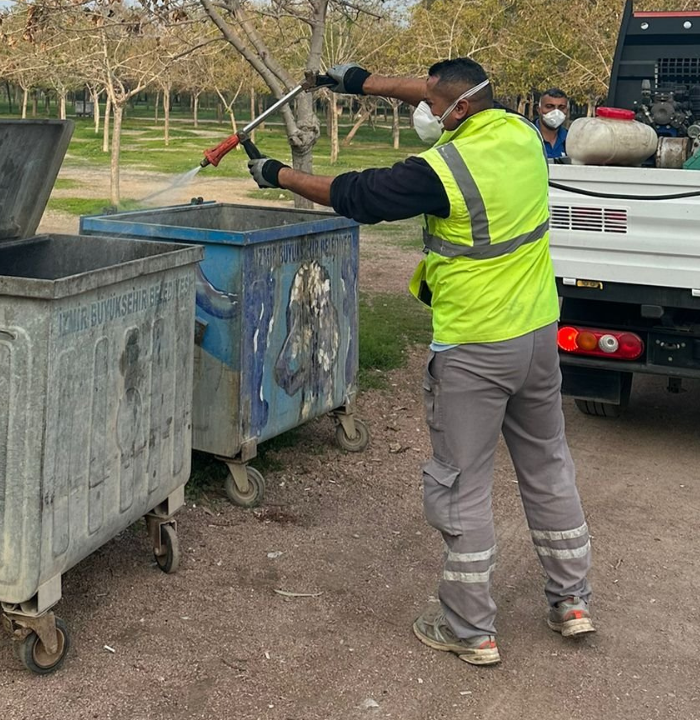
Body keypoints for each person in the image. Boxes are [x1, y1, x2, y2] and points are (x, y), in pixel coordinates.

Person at [246, 58, 594, 666]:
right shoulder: (520, 133)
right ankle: (572, 602)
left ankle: (469, 628)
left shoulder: (441, 171)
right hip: (538, 337)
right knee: (547, 466)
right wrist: (354, 81)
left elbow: (354, 194)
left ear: (458, 110)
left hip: (475, 347)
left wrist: (276, 173)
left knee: (462, 484)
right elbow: (435, 89)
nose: (424, 111)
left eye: (434, 105)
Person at [536, 88, 570, 160]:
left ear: (567, 110)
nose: (556, 112)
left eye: (561, 107)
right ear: (539, 110)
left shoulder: (571, 140)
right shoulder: (526, 137)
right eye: (549, 107)